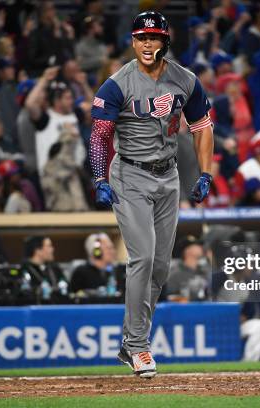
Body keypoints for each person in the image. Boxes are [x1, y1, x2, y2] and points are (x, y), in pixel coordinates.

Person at [89, 11, 214, 378]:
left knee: (160, 267)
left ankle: (132, 343)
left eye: (154, 37)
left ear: (164, 42)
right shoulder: (116, 84)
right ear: (132, 41)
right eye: (141, 37)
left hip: (168, 176)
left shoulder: (185, 79)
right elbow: (99, 135)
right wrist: (99, 177)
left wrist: (206, 172)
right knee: (142, 258)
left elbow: (202, 126)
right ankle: (139, 346)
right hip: (130, 175)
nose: (147, 44)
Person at [19, 236, 69, 303]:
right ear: (38, 250)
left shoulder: (54, 268)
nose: (52, 249)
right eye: (49, 246)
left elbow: (67, 289)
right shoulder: (24, 269)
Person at [167, 236, 210, 301]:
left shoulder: (204, 272)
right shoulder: (175, 274)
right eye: (196, 245)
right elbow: (169, 297)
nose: (200, 247)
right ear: (187, 250)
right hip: (185, 309)